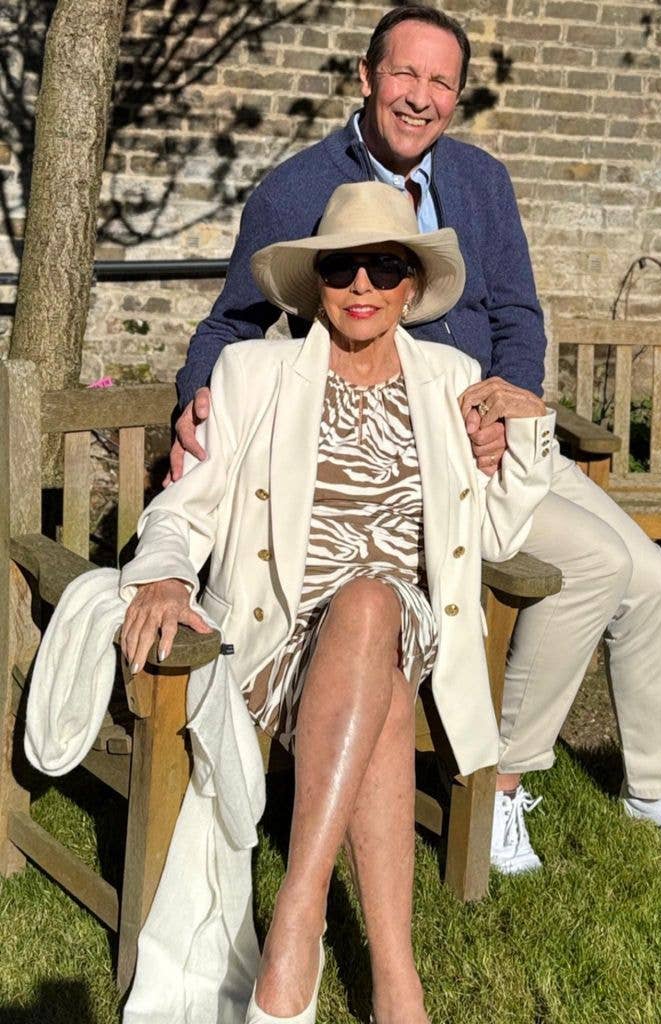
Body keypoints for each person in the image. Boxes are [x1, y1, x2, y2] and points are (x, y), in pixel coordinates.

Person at [168, 4, 661, 869]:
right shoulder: (295, 191)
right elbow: (230, 325)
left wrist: (511, 399)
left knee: (655, 576)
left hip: (499, 436)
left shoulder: (481, 180)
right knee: (594, 564)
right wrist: (197, 398)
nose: (420, 97)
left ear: (457, 95)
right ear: (366, 78)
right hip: (414, 453)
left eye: (441, 81)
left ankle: (660, 786)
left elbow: (518, 313)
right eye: (404, 75)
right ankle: (503, 781)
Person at [120, 181, 556, 1024]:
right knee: (378, 676)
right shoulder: (254, 372)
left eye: (384, 267)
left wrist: (524, 428)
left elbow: (497, 538)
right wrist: (166, 571)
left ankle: (296, 915)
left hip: (407, 620)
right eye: (342, 268)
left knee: (369, 605)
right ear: (317, 282)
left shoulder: (453, 379)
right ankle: (397, 981)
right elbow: (187, 502)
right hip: (281, 633)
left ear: (409, 287)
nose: (362, 286)